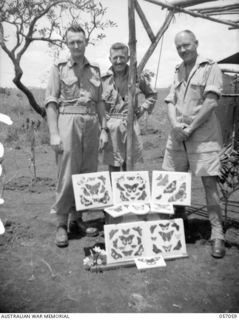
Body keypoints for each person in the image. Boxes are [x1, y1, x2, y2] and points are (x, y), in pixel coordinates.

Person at [162, 30, 225, 258]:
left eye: (186, 45)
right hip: (178, 135)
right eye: (178, 46)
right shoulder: (178, 69)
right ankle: (179, 220)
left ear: (196, 43)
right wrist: (174, 125)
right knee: (174, 182)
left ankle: (217, 234)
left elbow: (211, 102)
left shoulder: (211, 67)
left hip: (203, 136)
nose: (182, 50)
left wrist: (190, 128)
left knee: (210, 185)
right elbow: (170, 100)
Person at [45, 25, 108, 248]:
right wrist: (53, 133)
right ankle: (62, 223)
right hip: (68, 121)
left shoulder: (96, 70)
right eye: (71, 42)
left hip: (91, 123)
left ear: (85, 42)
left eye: (79, 41)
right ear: (67, 43)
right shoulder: (59, 67)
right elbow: (51, 102)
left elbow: (100, 101)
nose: (75, 45)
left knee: (87, 173)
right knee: (67, 173)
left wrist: (105, 129)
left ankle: (77, 219)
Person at [101, 42, 157, 172]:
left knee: (129, 166)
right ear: (110, 59)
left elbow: (152, 95)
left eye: (122, 57)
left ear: (128, 58)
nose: (119, 61)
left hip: (130, 125)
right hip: (111, 127)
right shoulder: (103, 79)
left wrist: (142, 109)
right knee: (113, 167)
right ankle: (114, 192)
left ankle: (127, 191)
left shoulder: (137, 76)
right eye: (115, 58)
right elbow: (99, 103)